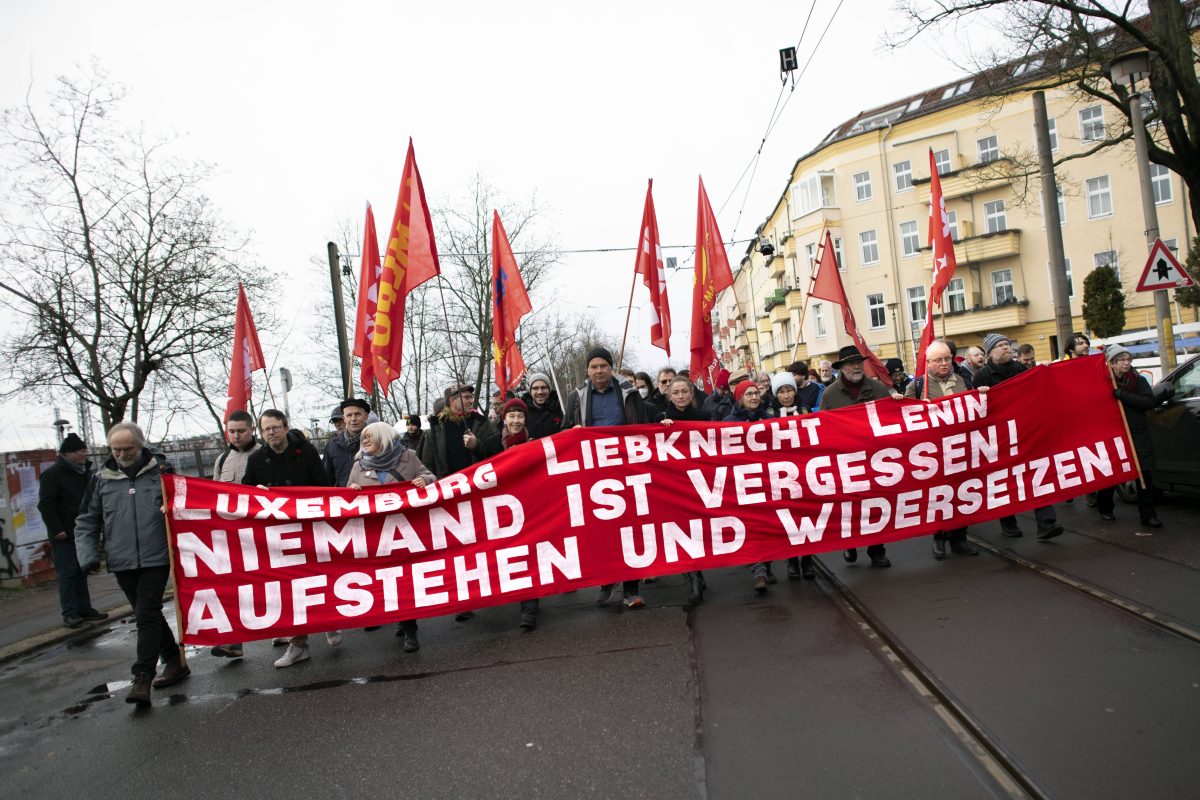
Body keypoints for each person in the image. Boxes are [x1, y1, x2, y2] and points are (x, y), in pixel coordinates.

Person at [75, 423, 187, 706]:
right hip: (121, 559)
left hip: (158, 556)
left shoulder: (162, 473)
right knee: (146, 611)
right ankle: (174, 660)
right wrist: (87, 556)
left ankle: (143, 676)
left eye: (128, 448)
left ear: (141, 445)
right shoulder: (101, 479)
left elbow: (184, 505)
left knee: (145, 613)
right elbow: (87, 519)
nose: (122, 454)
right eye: (116, 449)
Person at [242, 410, 336, 666]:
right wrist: (257, 494)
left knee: (319, 579)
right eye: (265, 429)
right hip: (278, 535)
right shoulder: (256, 460)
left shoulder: (304, 453)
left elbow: (323, 486)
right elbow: (245, 493)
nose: (270, 433)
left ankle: (330, 620)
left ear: (285, 427)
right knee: (290, 589)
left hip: (309, 528)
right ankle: (298, 644)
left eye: (274, 427)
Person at [562, 347, 649, 608]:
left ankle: (631, 589)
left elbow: (643, 426)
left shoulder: (629, 393)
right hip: (594, 474)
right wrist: (573, 431)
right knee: (602, 529)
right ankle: (607, 581)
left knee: (630, 528)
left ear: (612, 368)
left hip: (626, 470)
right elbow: (565, 430)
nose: (598, 370)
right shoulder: (577, 397)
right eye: (593, 367)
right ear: (587, 371)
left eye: (603, 366)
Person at [414, 383, 500, 633]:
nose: (469, 399)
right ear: (451, 401)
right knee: (460, 551)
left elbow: (497, 453)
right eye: (464, 396)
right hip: (451, 500)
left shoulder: (482, 424)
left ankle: (493, 588)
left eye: (471, 395)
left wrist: (478, 445)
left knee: (486, 545)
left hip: (481, 495)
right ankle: (466, 599)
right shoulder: (435, 430)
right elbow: (427, 466)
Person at [972, 333, 1064, 540]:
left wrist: (1045, 372)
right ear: (990, 353)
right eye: (1000, 345)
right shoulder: (982, 376)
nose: (1006, 348)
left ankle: (1046, 522)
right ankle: (1008, 521)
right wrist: (981, 394)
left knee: (1038, 473)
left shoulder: (1020, 369)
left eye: (1007, 344)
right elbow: (977, 409)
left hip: (1025, 430)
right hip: (1000, 436)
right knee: (1004, 479)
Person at [906, 342, 986, 560]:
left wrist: (983, 394)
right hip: (933, 452)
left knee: (963, 495)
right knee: (940, 497)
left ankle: (960, 538)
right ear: (928, 363)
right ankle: (939, 539)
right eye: (938, 360)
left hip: (961, 447)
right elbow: (902, 413)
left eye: (946, 359)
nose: (943, 364)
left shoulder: (964, 380)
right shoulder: (918, 385)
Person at [820, 345, 893, 568]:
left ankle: (877, 550)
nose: (856, 367)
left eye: (859, 362)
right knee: (850, 509)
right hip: (846, 461)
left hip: (875, 458)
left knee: (877, 505)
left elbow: (891, 420)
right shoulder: (830, 394)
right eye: (851, 363)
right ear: (841, 368)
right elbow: (823, 429)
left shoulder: (878, 389)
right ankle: (850, 544)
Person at [38, 433, 107, 629]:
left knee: (81, 571)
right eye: (81, 451)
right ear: (68, 453)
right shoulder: (53, 474)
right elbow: (46, 505)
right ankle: (69, 613)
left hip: (82, 532)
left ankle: (84, 609)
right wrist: (56, 530)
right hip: (64, 533)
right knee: (68, 573)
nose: (85, 454)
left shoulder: (85, 472)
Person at [208, 410, 261, 659]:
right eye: (232, 431)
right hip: (232, 534)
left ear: (252, 429)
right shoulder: (222, 460)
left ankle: (285, 632)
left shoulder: (264, 456)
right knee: (233, 587)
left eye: (241, 430)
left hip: (262, 533)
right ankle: (233, 640)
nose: (236, 435)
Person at [656, 376, 710, 604]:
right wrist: (660, 430)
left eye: (684, 392)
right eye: (675, 392)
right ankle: (693, 576)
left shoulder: (704, 417)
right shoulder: (660, 419)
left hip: (699, 481)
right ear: (669, 395)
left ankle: (698, 573)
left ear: (691, 393)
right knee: (682, 529)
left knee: (699, 528)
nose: (680, 396)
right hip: (673, 483)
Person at [1096, 345, 1162, 528]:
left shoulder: (1138, 381)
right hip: (1114, 434)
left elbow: (1149, 402)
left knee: (1144, 474)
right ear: (1112, 363)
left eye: (1128, 360)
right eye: (1121, 360)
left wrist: (1122, 395)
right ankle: (1105, 506)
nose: (1126, 363)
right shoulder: (1104, 381)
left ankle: (1148, 515)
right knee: (1114, 471)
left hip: (1137, 433)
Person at [724, 381, 778, 592]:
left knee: (768, 526)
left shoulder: (770, 419)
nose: (754, 397)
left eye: (756, 393)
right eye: (749, 394)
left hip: (768, 481)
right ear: (740, 398)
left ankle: (767, 565)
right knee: (751, 528)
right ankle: (758, 570)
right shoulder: (728, 423)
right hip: (741, 485)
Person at [770, 374, 817, 580]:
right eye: (781, 391)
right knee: (787, 519)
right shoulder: (769, 413)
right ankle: (791, 558)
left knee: (807, 517)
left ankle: (807, 559)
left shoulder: (805, 410)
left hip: (804, 471)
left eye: (789, 390)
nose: (786, 395)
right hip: (780, 474)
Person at [347, 422, 435, 489]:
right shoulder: (358, 466)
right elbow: (347, 497)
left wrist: (424, 479)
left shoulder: (408, 456)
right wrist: (351, 490)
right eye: (363, 438)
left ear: (382, 437)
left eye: (369, 437)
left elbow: (432, 478)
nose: (365, 441)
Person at [324, 397, 371, 488]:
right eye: (349, 415)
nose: (353, 419)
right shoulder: (332, 445)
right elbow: (327, 478)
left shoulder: (377, 440)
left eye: (357, 414)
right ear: (344, 418)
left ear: (366, 416)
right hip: (343, 499)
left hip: (371, 498)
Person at [521, 373, 564, 439]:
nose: (540, 392)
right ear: (530, 391)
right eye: (535, 388)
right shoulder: (522, 411)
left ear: (549, 389)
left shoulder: (561, 407)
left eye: (543, 388)